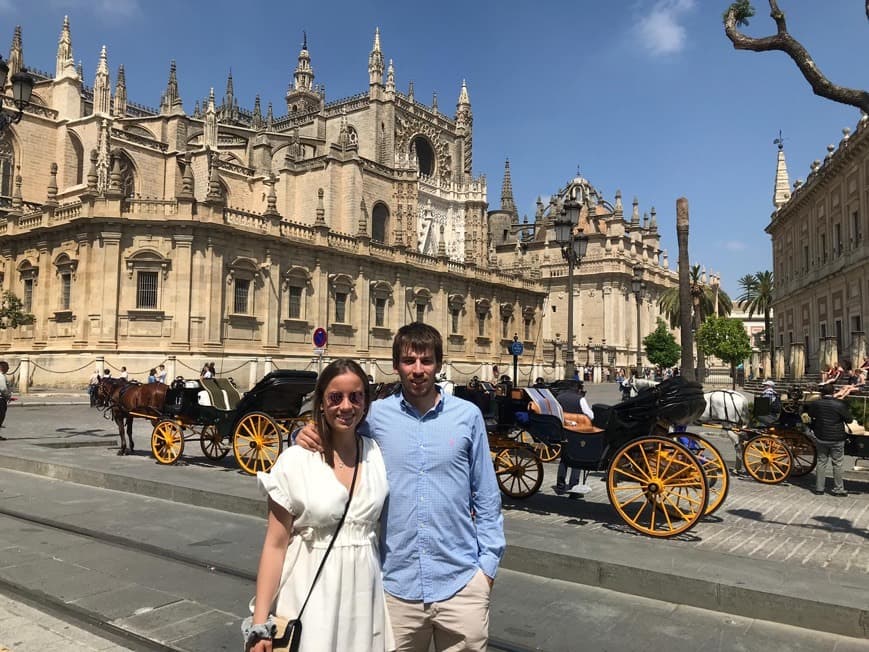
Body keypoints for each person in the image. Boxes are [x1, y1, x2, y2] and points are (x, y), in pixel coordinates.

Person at [296, 323, 504, 651]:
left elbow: (487, 495)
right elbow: (337, 424)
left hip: (462, 584)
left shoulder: (468, 416)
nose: (418, 370)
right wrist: (305, 433)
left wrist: (487, 568)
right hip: (396, 589)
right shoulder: (375, 416)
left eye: (426, 361)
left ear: (439, 364)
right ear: (396, 366)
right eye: (409, 361)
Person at [245, 359, 392, 651]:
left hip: (364, 597)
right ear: (321, 402)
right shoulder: (296, 461)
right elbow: (275, 545)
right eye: (335, 397)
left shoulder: (376, 453)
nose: (346, 406)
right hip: (311, 594)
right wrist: (260, 624)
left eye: (356, 396)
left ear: (366, 401)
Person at [803, 382, 852, 496]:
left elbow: (810, 415)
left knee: (821, 462)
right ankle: (838, 489)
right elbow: (849, 420)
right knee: (838, 463)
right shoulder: (839, 404)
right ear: (833, 392)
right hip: (837, 437)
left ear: (821, 393)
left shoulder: (816, 404)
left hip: (821, 436)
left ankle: (819, 488)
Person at [554, 380, 594, 493]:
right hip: (577, 432)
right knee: (577, 458)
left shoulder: (559, 397)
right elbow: (590, 415)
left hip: (563, 430)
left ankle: (560, 485)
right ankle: (573, 485)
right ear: (578, 389)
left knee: (564, 458)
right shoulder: (580, 399)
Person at [0, 361, 9, 437]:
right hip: (1, 399)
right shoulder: (1, 376)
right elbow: (3, 389)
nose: (8, 369)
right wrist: (7, 396)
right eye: (7, 367)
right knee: (1, 416)